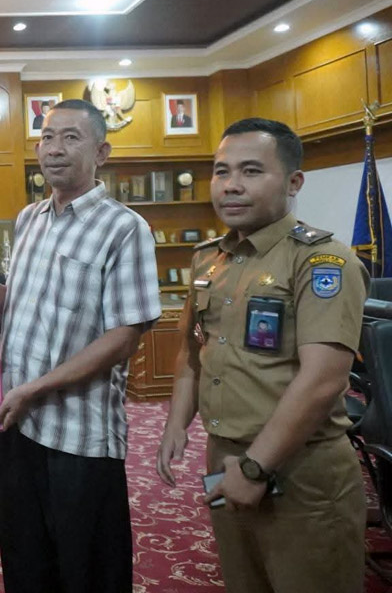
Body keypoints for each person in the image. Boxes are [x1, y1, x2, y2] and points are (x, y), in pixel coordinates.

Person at [0, 98, 161, 592]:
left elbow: (123, 337)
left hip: (79, 435)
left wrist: (35, 388)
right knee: (27, 563)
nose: (54, 149)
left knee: (86, 573)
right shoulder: (29, 219)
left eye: (71, 137)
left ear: (101, 152)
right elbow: (24, 303)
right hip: (18, 424)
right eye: (46, 137)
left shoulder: (124, 228)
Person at [156, 118, 368, 593]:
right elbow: (193, 348)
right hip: (223, 458)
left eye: (251, 171)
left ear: (294, 182)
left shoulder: (322, 261)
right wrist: (176, 422)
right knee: (243, 579)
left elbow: (324, 380)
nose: (231, 185)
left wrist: (255, 467)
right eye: (222, 171)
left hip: (299, 468)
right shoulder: (207, 259)